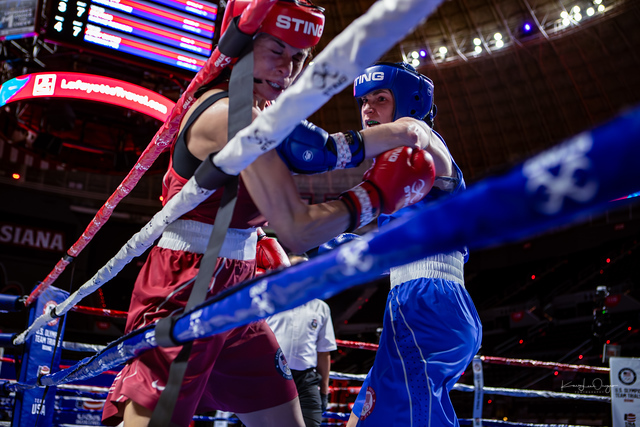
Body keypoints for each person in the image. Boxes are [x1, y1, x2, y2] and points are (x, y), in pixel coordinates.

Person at [101, 0, 438, 425]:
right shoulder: (225, 115)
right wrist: (376, 189)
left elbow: (306, 160)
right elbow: (298, 227)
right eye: (276, 51)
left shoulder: (262, 115)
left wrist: (256, 240)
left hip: (237, 290)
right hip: (187, 287)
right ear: (243, 45)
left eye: (298, 58)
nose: (288, 69)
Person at [344, 63, 483, 426]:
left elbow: (413, 131)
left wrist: (330, 149)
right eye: (364, 101)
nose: (368, 109)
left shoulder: (425, 143)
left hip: (426, 301)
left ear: (408, 104)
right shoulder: (401, 173)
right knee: (362, 418)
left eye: (381, 99)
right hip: (417, 301)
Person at [256, 231, 337, 427]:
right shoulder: (269, 302)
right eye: (293, 268)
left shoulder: (320, 307)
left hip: (306, 381)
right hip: (271, 375)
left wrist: (324, 391)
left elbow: (323, 352)